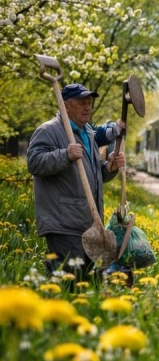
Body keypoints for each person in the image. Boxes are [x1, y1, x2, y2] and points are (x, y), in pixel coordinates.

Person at [27, 83, 127, 278]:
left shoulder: (86, 134)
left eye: (89, 103)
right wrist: (65, 154)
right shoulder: (49, 130)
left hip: (89, 225)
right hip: (64, 224)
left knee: (87, 284)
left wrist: (109, 167)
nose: (88, 107)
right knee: (67, 284)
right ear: (65, 105)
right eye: (82, 103)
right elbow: (34, 163)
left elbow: (91, 173)